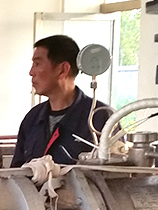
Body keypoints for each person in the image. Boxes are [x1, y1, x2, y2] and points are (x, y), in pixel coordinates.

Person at [11, 35, 111, 167]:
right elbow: (16, 172)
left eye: (37, 63)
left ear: (63, 70)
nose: (31, 72)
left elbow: (115, 172)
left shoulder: (99, 117)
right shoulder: (32, 119)